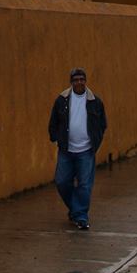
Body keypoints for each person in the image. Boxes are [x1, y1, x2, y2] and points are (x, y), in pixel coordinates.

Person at [48, 67, 107, 230]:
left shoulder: (95, 101)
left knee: (84, 185)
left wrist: (96, 142)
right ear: (71, 82)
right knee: (61, 182)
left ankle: (81, 217)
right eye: (76, 80)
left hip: (86, 151)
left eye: (82, 79)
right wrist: (55, 138)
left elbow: (103, 124)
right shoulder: (62, 99)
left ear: (85, 81)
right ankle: (76, 209)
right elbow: (54, 121)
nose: (79, 82)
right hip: (67, 150)